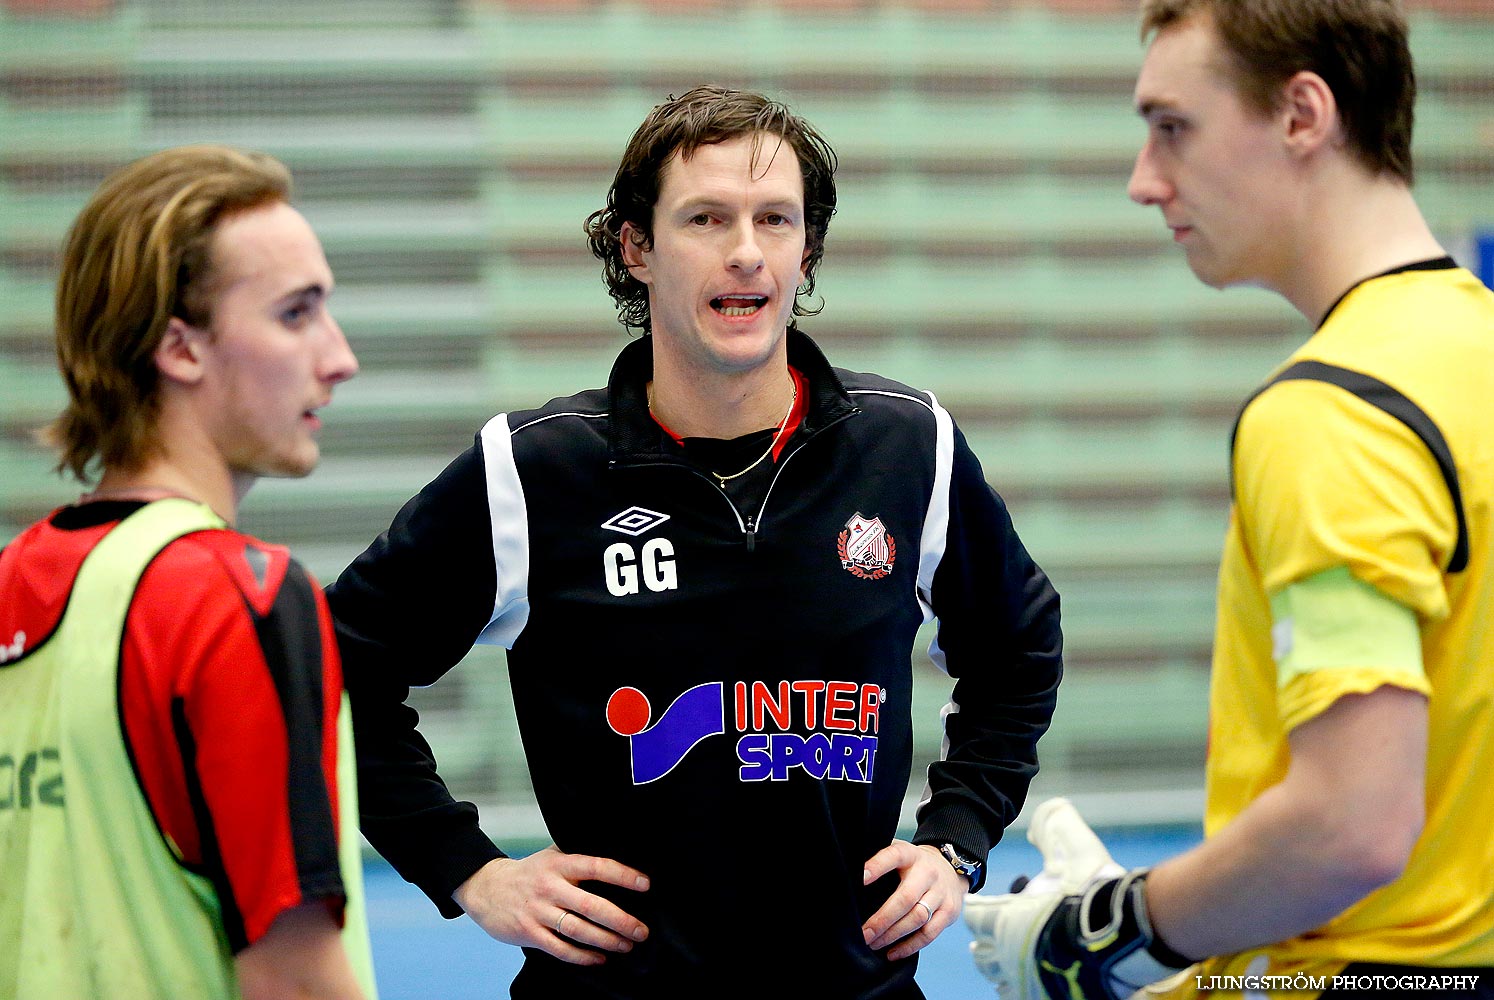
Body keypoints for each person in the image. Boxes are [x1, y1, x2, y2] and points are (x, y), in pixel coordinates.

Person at [327, 85, 1063, 999]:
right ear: (636, 248)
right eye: (706, 218)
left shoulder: (910, 448)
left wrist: (956, 838)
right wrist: (467, 867)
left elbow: (1019, 649)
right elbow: (333, 669)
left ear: (807, 249)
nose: (746, 252)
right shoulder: (531, 472)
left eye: (775, 219)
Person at [965, 1, 1494, 997]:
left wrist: (1108, 929)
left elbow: (1352, 825)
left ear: (1304, 115)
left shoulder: (1336, 412)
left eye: (1173, 127)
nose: (1143, 179)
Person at [0, 145, 374, 1000]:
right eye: (296, 314)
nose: (340, 356)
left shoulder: (10, 584)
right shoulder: (237, 596)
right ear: (180, 348)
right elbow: (294, 983)